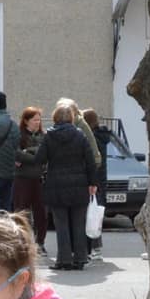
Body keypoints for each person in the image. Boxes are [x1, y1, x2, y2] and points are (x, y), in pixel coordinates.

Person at [35, 102, 96, 271]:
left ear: (55, 118)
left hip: (56, 184)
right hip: (79, 184)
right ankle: (81, 258)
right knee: (78, 222)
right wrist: (93, 183)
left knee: (61, 223)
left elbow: (40, 159)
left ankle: (64, 259)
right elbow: (90, 161)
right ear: (71, 118)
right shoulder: (80, 135)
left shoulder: (49, 136)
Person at [10, 106, 49, 252]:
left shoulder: (44, 136)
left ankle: (40, 243)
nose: (38, 123)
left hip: (39, 179)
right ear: (26, 121)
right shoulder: (19, 136)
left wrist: (29, 152)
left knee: (41, 214)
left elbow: (44, 155)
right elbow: (17, 154)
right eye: (35, 120)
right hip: (22, 179)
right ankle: (22, 243)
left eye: (39, 120)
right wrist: (34, 156)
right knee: (21, 213)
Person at [80, 107, 111, 261]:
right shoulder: (103, 136)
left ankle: (92, 247)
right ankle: (96, 247)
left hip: (93, 180)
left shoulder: (93, 139)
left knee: (91, 215)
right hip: (101, 180)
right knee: (95, 214)